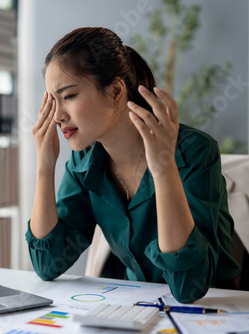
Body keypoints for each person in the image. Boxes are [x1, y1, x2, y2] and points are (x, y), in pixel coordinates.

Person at [26, 27, 241, 303]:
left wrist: (163, 169)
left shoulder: (194, 152)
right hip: (139, 307)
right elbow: (47, 265)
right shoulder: (84, 162)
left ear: (116, 91)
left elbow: (188, 288)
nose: (57, 116)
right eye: (53, 101)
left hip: (220, 311)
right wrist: (44, 167)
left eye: (68, 96)